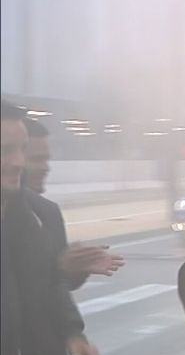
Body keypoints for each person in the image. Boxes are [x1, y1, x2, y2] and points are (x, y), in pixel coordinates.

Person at [2, 100, 104, 355]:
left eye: (22, 149)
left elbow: (50, 285)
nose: (18, 163)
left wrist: (72, 332)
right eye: (5, 150)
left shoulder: (39, 216)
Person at [22, 118, 123, 291]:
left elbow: (59, 288)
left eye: (46, 159)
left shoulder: (49, 213)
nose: (46, 168)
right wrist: (60, 269)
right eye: (36, 160)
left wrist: (76, 268)